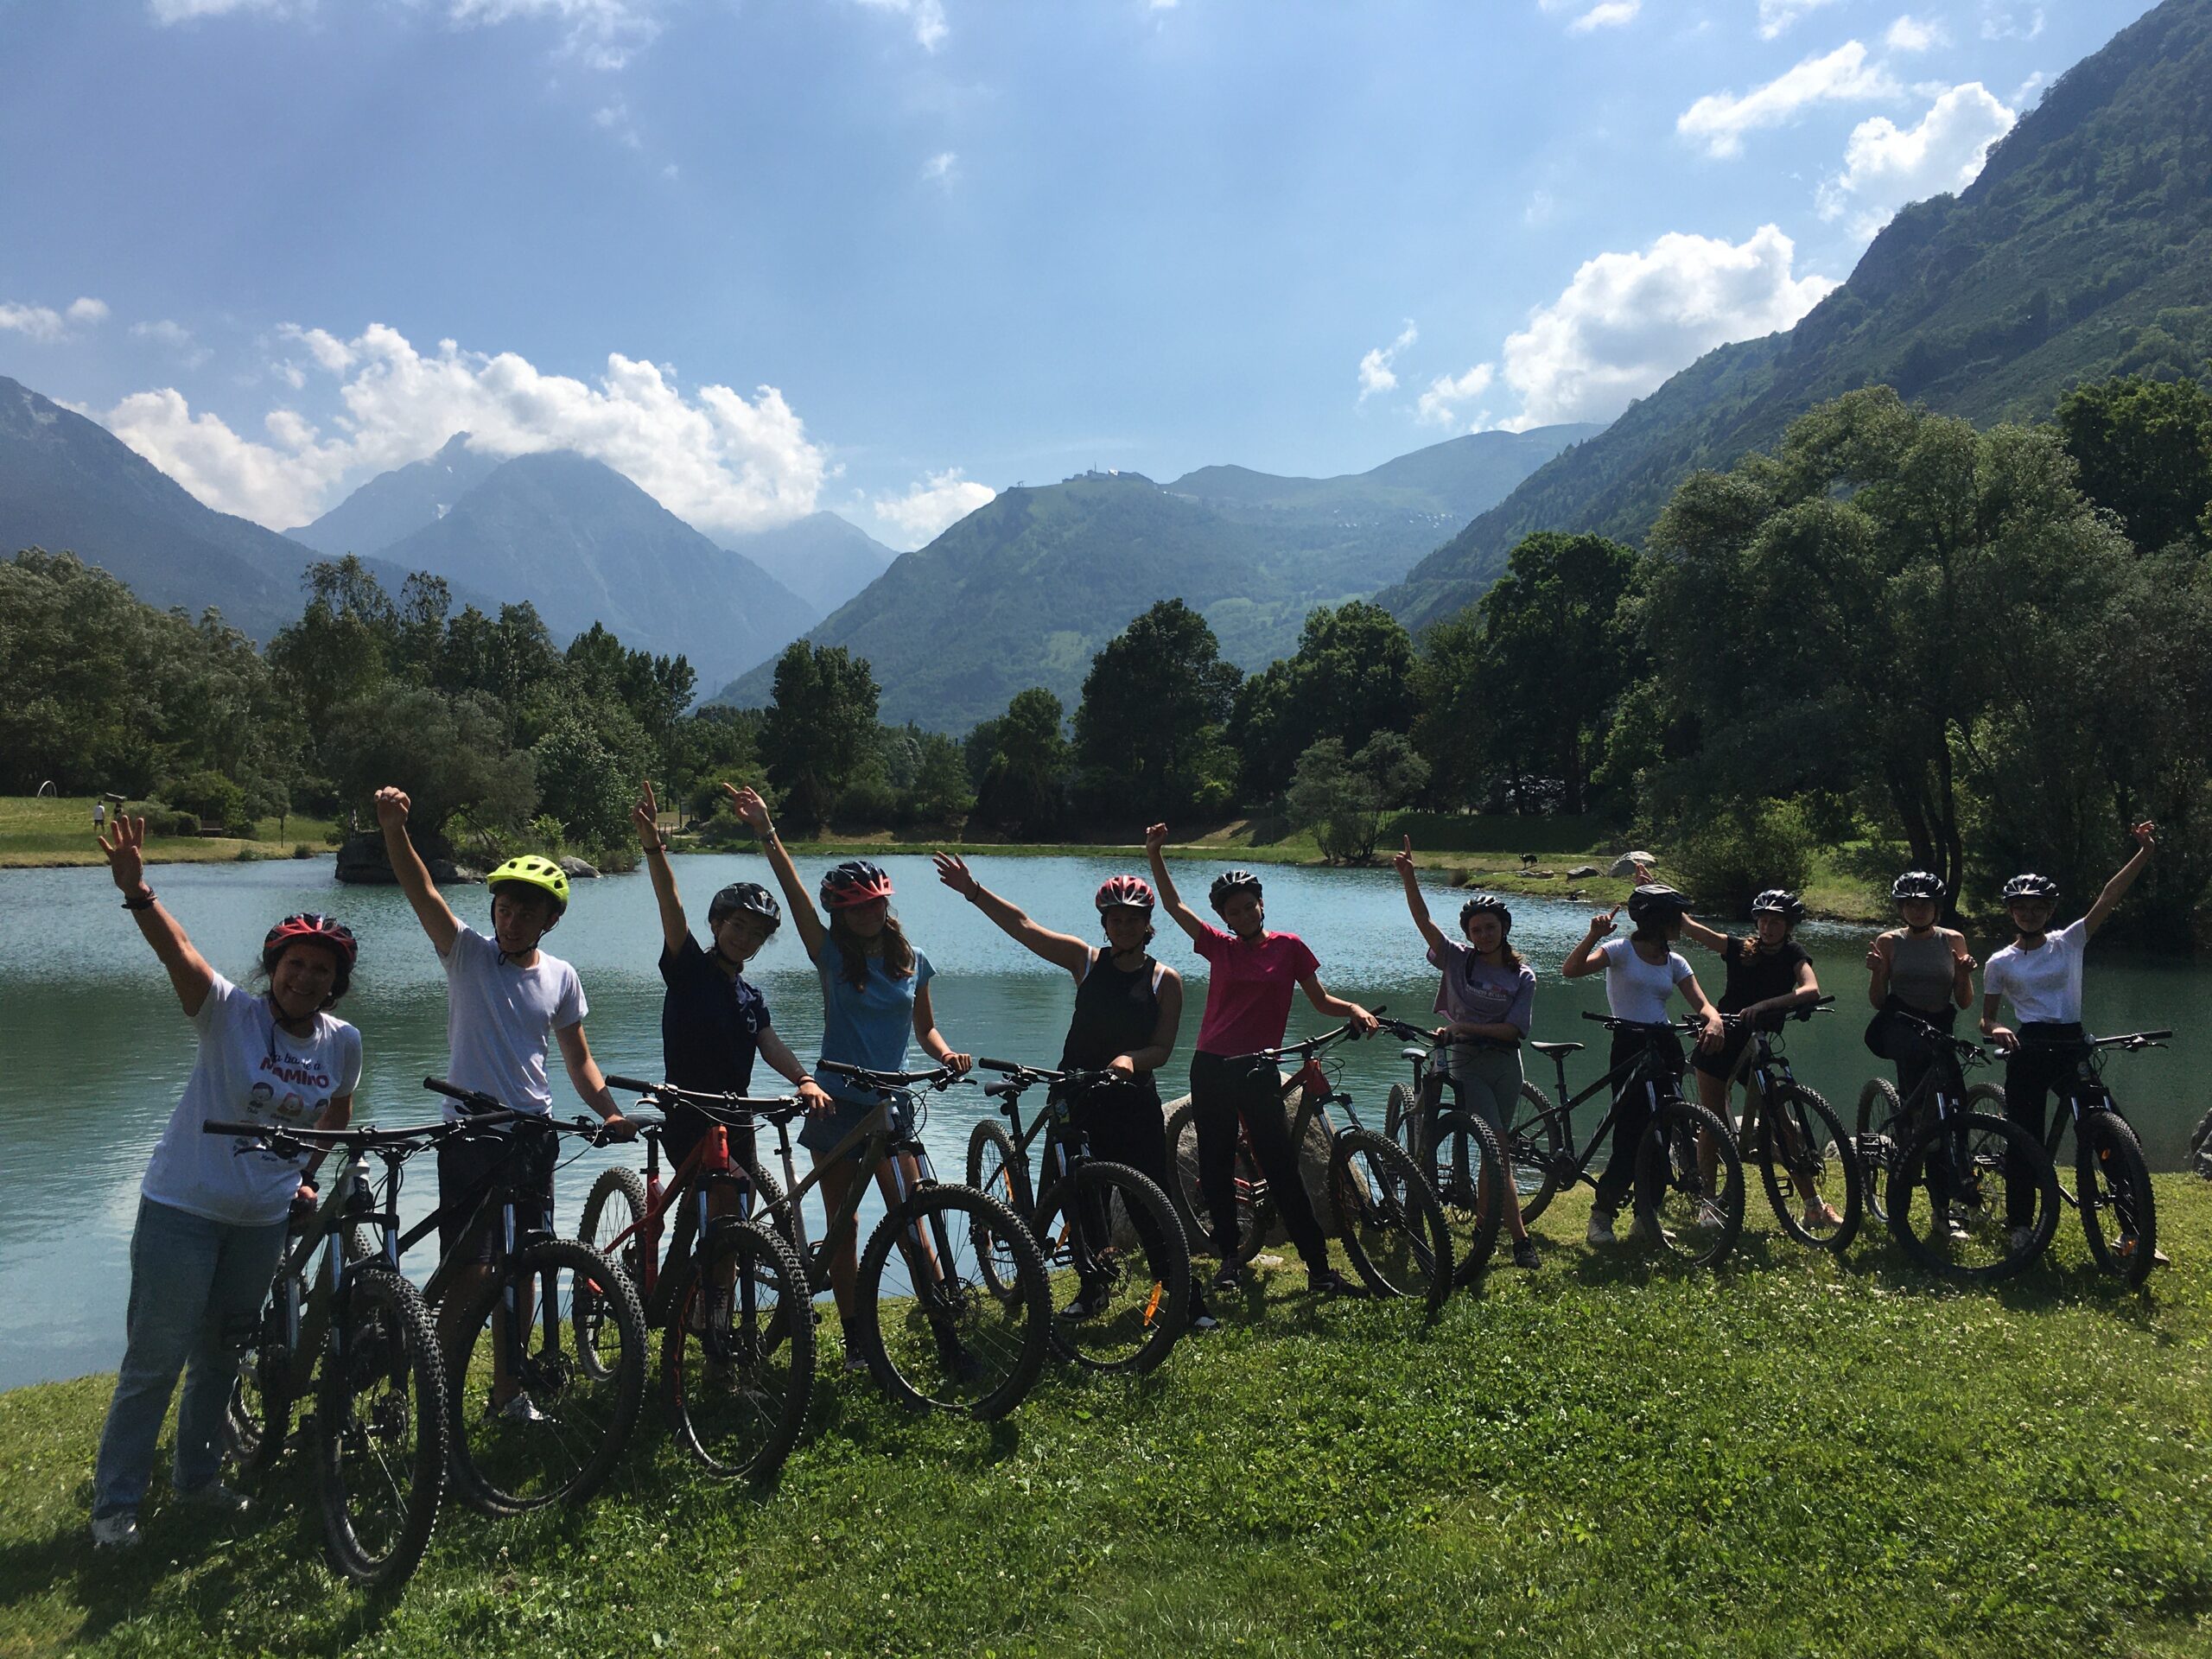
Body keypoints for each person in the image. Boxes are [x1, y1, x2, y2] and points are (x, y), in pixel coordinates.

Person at [89, 813, 360, 1549]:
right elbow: (177, 952)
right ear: (273, 966)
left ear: (336, 985)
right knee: (156, 1357)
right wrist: (139, 892)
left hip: (262, 1223)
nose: (306, 977)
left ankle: (198, 1481)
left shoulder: (344, 1043)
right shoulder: (227, 1014)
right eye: (294, 964)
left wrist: (306, 1176)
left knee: (222, 1353)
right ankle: (116, 1504)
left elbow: (335, 1114)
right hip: (183, 1208)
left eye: (321, 970)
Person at [374, 786, 632, 1419]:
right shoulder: (466, 954)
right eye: (504, 907)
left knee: (527, 1266)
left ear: (550, 921)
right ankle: (441, 1388)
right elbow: (421, 891)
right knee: (474, 1271)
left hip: (532, 1134)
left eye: (526, 912)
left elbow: (578, 1059)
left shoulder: (562, 977)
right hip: (471, 1133)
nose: (510, 919)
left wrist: (611, 1113)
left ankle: (507, 1394)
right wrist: (393, 830)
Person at [728, 785, 971, 1368]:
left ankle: (947, 1337)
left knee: (913, 1216)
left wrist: (947, 1055)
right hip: (835, 1105)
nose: (870, 913)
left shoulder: (914, 961)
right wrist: (767, 830)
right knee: (845, 1225)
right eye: (858, 907)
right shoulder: (832, 957)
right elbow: (792, 892)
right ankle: (856, 1336)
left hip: (893, 1106)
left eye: (876, 904)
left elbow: (926, 1031)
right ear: (840, 913)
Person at [932, 854, 1214, 1327]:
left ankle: (1187, 1300)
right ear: (1105, 924)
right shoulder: (1085, 960)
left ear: (1149, 926)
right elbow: (1024, 927)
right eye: (1115, 919)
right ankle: (1092, 1289)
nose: (1124, 927)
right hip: (1075, 1097)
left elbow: (1163, 1047)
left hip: (1132, 1100)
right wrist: (973, 890)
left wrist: (1131, 1059)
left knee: (1152, 1201)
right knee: (1082, 1199)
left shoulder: (1167, 980)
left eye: (1133, 919)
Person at [1143, 824, 1376, 1299]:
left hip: (1260, 1068)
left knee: (1282, 1167)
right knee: (1213, 1163)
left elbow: (1320, 998)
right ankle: (1229, 1258)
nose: (1244, 914)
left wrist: (1352, 1008)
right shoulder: (1219, 947)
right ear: (1224, 917)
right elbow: (1173, 907)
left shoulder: (1290, 947)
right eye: (1234, 910)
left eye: (1250, 905)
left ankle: (1319, 1269)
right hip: (1212, 1066)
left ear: (1261, 905)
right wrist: (1155, 854)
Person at [630, 780, 830, 1238]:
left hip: (736, 1117)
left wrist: (804, 1079)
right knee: (723, 1208)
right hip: (688, 1116)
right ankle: (698, 1295)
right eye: (737, 926)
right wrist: (654, 848)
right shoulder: (688, 970)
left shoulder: (750, 997)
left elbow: (770, 1043)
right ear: (718, 924)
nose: (744, 938)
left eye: (756, 934)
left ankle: (714, 1305)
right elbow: (671, 905)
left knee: (737, 1219)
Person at [1981, 823, 2158, 1259]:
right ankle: (2021, 1225)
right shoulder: (1999, 962)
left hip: (2071, 1043)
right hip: (2028, 1048)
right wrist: (1998, 1029)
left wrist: (2145, 853)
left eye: (2038, 908)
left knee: (2113, 1136)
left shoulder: (2069, 941)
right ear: (2010, 911)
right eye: (2021, 908)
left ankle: (2133, 1234)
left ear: (2050, 910)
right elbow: (1986, 1021)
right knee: (2026, 1139)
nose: (2029, 914)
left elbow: (2109, 897)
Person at [1391, 835, 1540, 1268]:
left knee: (1499, 1150)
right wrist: (1409, 878)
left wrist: (1462, 1026)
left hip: (1506, 1065)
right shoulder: (1457, 959)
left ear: (1504, 929)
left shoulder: (1523, 976)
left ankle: (1482, 1222)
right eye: (1476, 929)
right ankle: (1520, 1241)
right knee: (1497, 1147)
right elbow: (1424, 922)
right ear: (1468, 934)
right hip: (1467, 1065)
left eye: (1490, 927)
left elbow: (1514, 1032)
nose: (1484, 934)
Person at [1560, 883, 1725, 1246]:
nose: (1681, 925)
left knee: (1665, 1133)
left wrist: (1713, 1020)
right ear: (1657, 921)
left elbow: (1703, 1004)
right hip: (1630, 1045)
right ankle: (1601, 1218)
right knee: (1630, 1136)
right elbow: (1570, 970)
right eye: (1675, 919)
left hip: (1664, 1045)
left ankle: (1645, 1216)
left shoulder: (1675, 962)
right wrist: (1593, 935)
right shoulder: (1620, 951)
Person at [1676, 889, 1839, 1232]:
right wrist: (1657, 891)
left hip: (1758, 1039)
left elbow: (1810, 989)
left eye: (1776, 921)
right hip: (1721, 1037)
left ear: (1788, 925)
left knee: (1780, 1119)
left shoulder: (1794, 953)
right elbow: (1692, 929)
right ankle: (1707, 1204)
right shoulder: (1739, 948)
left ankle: (1813, 1207)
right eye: (1763, 920)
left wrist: (1765, 1006)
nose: (1768, 927)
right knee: (1713, 1119)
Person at [1864, 871, 1977, 1112]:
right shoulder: (1888, 941)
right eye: (1910, 905)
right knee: (1916, 1060)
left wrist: (1963, 974)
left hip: (1938, 1025)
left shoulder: (1953, 940)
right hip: (1897, 1023)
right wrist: (1876, 972)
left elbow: (1964, 1002)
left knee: (1955, 1091)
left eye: (1924, 905)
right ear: (1901, 908)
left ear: (1936, 908)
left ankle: (1954, 1146)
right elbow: (1878, 1002)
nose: (1917, 911)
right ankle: (1911, 1135)